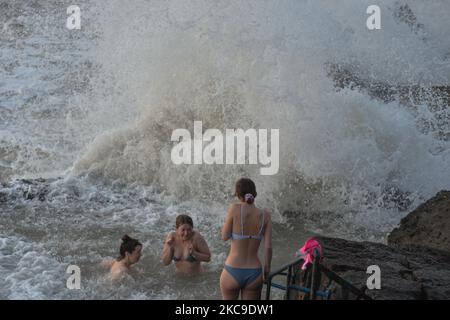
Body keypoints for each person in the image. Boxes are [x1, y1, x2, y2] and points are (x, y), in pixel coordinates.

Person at [220, 178, 273, 300]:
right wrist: (267, 269)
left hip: (232, 270)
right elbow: (268, 246)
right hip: (254, 272)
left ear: (238, 194)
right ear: (254, 194)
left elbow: (224, 236)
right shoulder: (266, 215)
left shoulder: (234, 208)